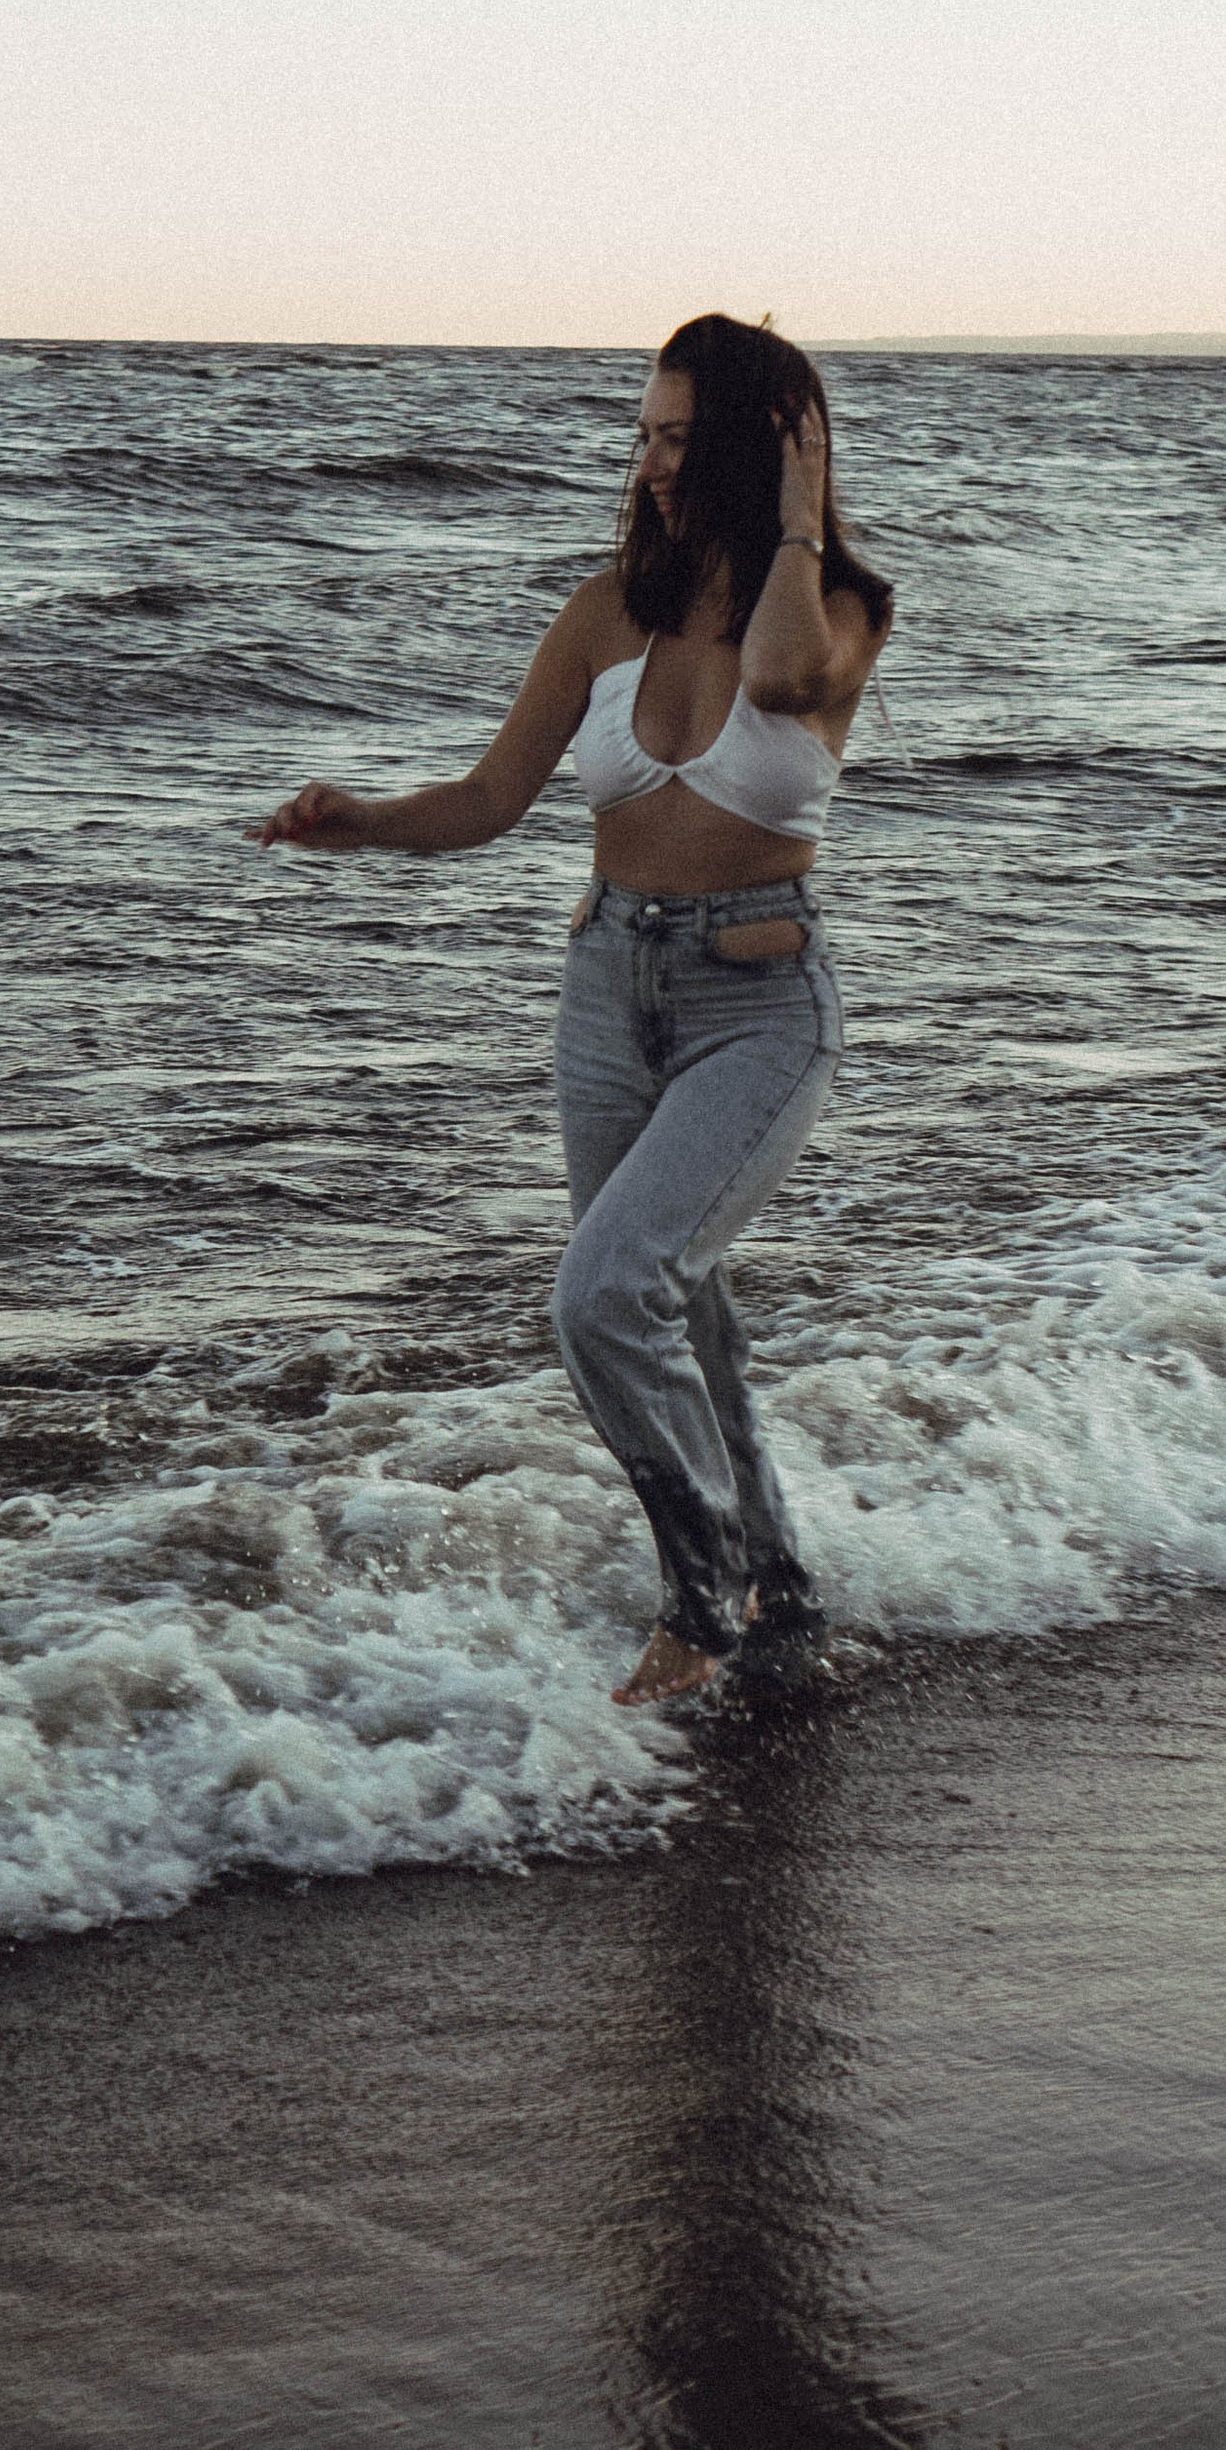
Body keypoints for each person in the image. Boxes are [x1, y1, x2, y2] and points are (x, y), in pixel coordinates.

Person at [256, 313, 893, 1706]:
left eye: (681, 435)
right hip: (608, 990)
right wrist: (358, 823)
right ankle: (779, 1596)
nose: (653, 461)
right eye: (644, 434)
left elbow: (783, 680)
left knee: (606, 1299)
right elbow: (490, 799)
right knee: (686, 1313)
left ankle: (699, 1601)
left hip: (762, 1005)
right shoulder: (609, 608)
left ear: (752, 448)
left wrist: (792, 520)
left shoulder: (841, 607)